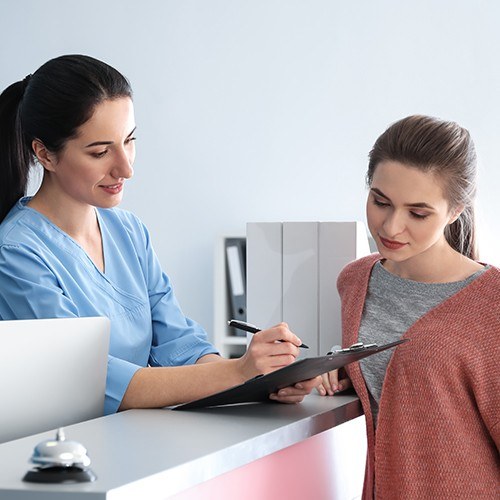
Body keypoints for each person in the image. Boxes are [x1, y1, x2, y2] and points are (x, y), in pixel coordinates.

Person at [0, 54, 319, 415]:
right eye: (100, 151)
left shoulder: (129, 232)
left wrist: (265, 379)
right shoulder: (16, 252)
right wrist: (239, 370)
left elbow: (180, 346)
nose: (126, 168)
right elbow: (96, 382)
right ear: (45, 154)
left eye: (129, 140)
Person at [319, 115, 499, 498]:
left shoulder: (493, 304)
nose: (391, 227)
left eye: (418, 213)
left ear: (455, 211)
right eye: (380, 201)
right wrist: (340, 367)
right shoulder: (354, 281)